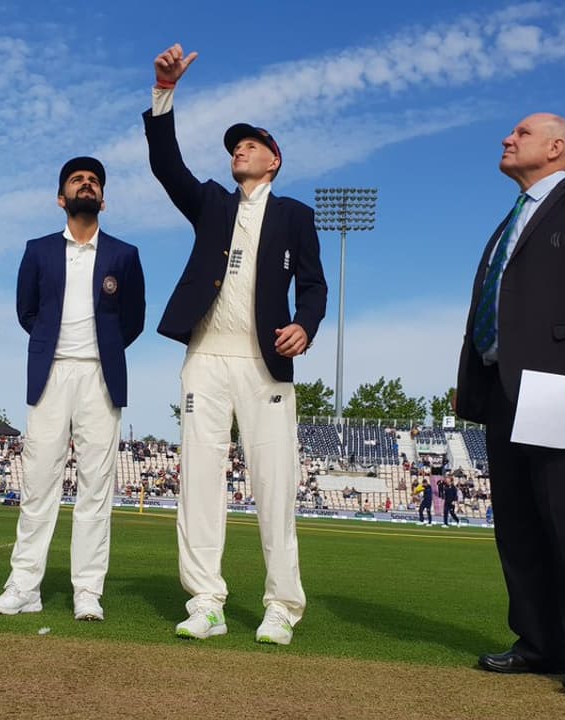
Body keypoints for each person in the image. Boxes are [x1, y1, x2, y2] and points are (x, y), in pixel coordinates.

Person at [143, 45, 327, 645]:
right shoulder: (212, 204)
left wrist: (306, 325)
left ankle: (282, 606)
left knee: (274, 485)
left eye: (249, 145)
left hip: (264, 364)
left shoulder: (296, 215)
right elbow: (167, 165)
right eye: (233, 147)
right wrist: (164, 93)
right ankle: (206, 602)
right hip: (205, 358)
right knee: (199, 482)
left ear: (274, 160)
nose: (237, 151)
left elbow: (314, 285)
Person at [454, 113, 565, 696]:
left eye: (522, 133)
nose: (507, 139)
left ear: (557, 147)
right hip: (506, 392)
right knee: (520, 529)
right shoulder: (508, 222)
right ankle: (541, 643)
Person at [0, 157, 145, 622]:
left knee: (96, 488)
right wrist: (55, 346)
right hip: (51, 373)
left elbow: (133, 319)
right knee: (38, 483)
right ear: (61, 198)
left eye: (94, 181)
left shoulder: (124, 254)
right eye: (77, 180)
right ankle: (24, 586)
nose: (86, 184)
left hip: (101, 376)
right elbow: (27, 311)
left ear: (103, 200)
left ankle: (88, 591)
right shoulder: (38, 250)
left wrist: (101, 349)